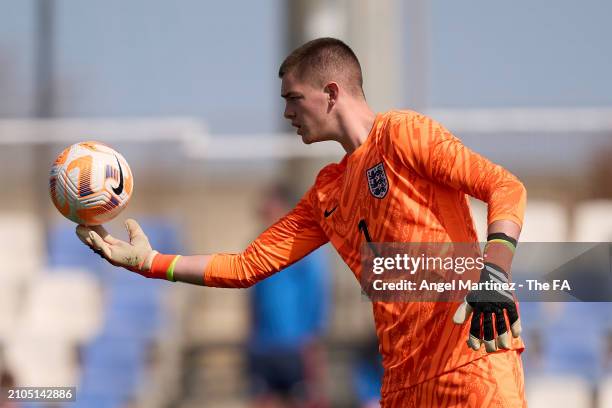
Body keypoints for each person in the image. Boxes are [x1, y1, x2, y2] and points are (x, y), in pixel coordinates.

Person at [76, 37, 527, 407]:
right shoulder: (327, 192)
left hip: (473, 364)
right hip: (404, 386)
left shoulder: (403, 134)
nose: (287, 114)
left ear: (331, 93)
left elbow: (506, 188)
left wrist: (494, 270)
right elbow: (245, 267)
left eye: (293, 99)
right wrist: (148, 261)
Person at [247, 184, 330, 408]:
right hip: (263, 346)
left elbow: (316, 299)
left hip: (295, 347)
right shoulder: (257, 251)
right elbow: (254, 301)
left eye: (270, 210)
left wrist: (312, 345)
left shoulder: (303, 250)